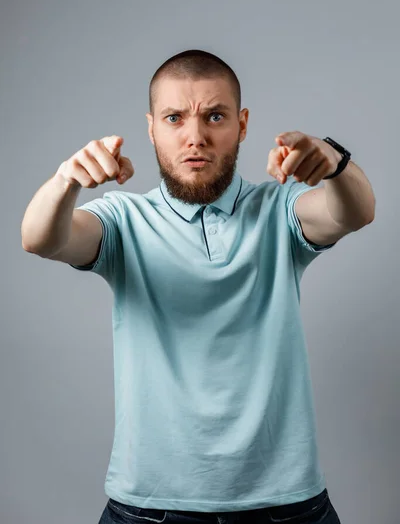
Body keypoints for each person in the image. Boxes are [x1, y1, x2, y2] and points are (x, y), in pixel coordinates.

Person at [21, 49, 375, 523]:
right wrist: (66, 179)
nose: (195, 137)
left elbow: (352, 213)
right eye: (174, 118)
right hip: (148, 508)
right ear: (151, 128)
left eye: (215, 116)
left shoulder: (279, 210)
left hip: (286, 505)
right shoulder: (124, 220)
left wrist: (335, 163)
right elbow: (41, 238)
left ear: (242, 124)